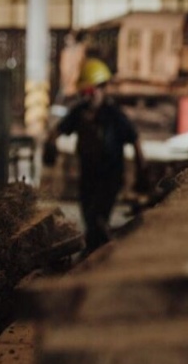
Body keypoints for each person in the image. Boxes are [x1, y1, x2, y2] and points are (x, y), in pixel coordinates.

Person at [42, 57, 147, 254]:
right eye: (84, 92)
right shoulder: (79, 113)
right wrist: (50, 143)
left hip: (110, 176)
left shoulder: (114, 115)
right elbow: (59, 129)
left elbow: (134, 139)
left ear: (102, 88)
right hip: (88, 174)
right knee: (89, 216)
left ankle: (99, 251)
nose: (88, 97)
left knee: (99, 216)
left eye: (91, 91)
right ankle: (94, 251)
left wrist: (142, 170)